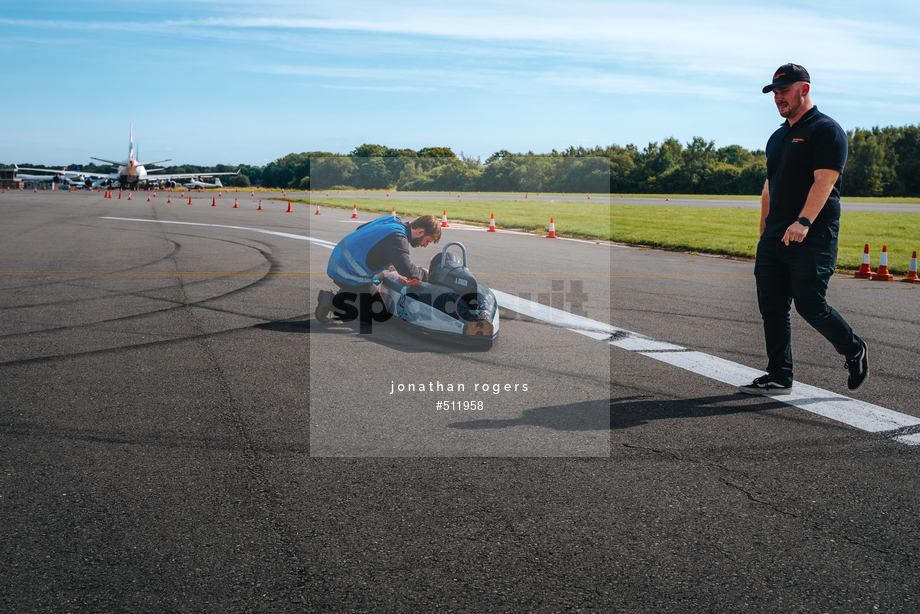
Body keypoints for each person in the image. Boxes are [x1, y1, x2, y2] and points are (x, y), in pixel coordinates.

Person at [739, 63, 868, 396]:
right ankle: (779, 375)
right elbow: (769, 187)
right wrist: (764, 229)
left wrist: (805, 221)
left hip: (812, 236)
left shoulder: (826, 130)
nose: (778, 98)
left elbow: (824, 181)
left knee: (811, 305)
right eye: (775, 93)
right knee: (772, 307)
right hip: (775, 237)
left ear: (804, 89)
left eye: (784, 91)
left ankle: (853, 348)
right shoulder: (778, 137)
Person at [314, 214, 442, 324]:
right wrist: (425, 275)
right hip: (346, 273)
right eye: (427, 241)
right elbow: (406, 269)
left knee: (383, 276)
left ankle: (349, 293)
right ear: (420, 232)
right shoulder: (398, 238)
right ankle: (332, 301)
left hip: (338, 262)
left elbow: (361, 229)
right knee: (380, 316)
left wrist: (381, 256)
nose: (425, 245)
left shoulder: (392, 220)